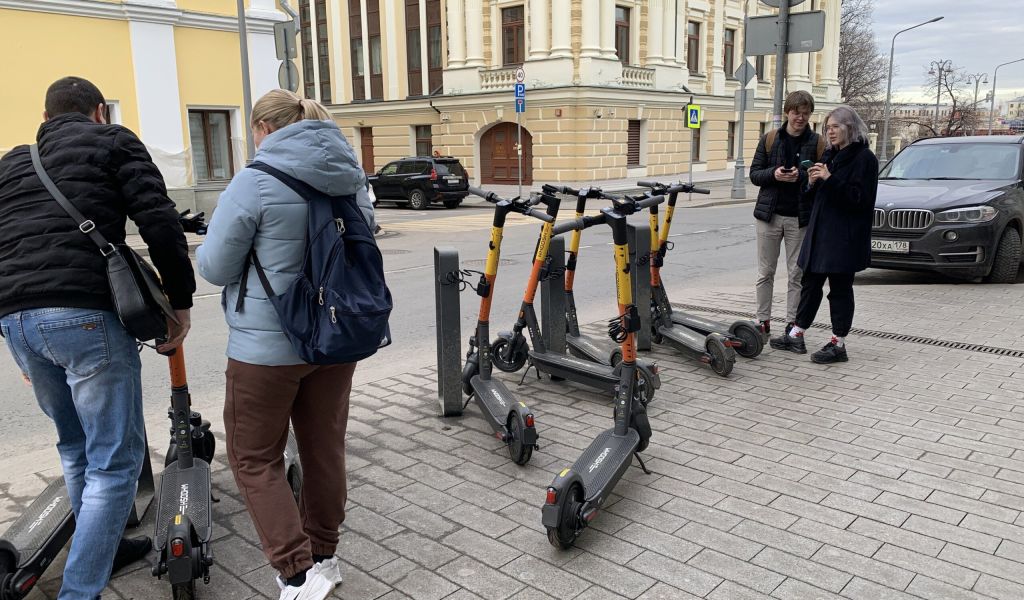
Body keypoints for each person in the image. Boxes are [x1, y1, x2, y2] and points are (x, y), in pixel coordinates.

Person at [0, 76, 195, 598]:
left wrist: (15, 331)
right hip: (85, 314)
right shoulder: (113, 141)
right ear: (100, 112)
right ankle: (79, 590)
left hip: (17, 318)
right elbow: (159, 222)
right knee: (114, 463)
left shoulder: (9, 164)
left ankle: (100, 549)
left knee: (75, 447)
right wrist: (179, 303)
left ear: (44, 120)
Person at [196, 89, 374, 600]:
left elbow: (214, 267)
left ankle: (296, 576)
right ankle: (324, 555)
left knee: (254, 456)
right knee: (323, 449)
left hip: (266, 350)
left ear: (264, 129)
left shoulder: (254, 182)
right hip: (337, 339)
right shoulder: (351, 178)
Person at [770, 105, 879, 364]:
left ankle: (838, 344)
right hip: (821, 233)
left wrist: (829, 179)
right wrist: (812, 181)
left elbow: (860, 200)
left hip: (844, 238)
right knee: (810, 284)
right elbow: (816, 195)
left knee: (840, 290)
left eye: (835, 127)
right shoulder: (832, 154)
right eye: (827, 127)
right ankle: (796, 333)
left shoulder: (864, 158)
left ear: (849, 128)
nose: (830, 132)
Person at [749, 90, 824, 341]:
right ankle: (763, 321)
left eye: (805, 113)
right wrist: (775, 175)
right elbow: (755, 174)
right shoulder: (770, 139)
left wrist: (801, 176)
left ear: (810, 115)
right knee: (765, 272)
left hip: (799, 218)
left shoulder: (818, 143)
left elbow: (822, 176)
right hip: (769, 216)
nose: (800, 118)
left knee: (796, 274)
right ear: (787, 112)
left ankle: (792, 324)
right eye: (795, 112)